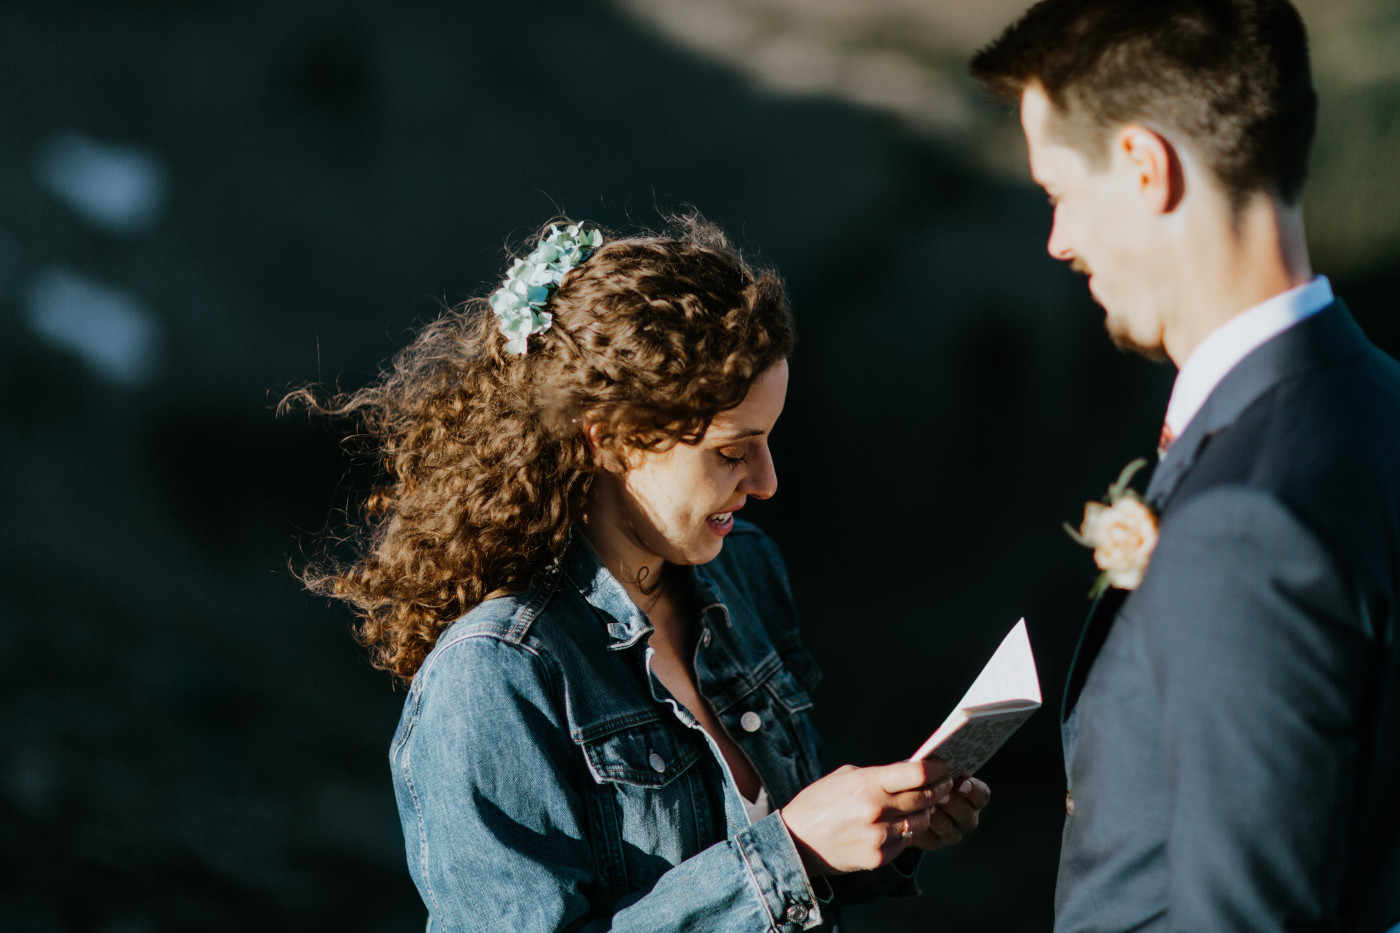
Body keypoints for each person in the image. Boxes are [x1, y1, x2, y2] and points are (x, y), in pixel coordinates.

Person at [289, 216, 990, 932]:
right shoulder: (494, 675)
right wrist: (792, 855)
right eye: (732, 450)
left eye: (769, 439)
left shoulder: (744, 568)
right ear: (615, 440)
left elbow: (788, 874)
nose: (768, 480)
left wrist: (882, 832)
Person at [971, 1, 1400, 930]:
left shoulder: (1245, 518)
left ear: (1142, 166)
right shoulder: (1382, 405)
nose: (1057, 241)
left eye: (1057, 193)